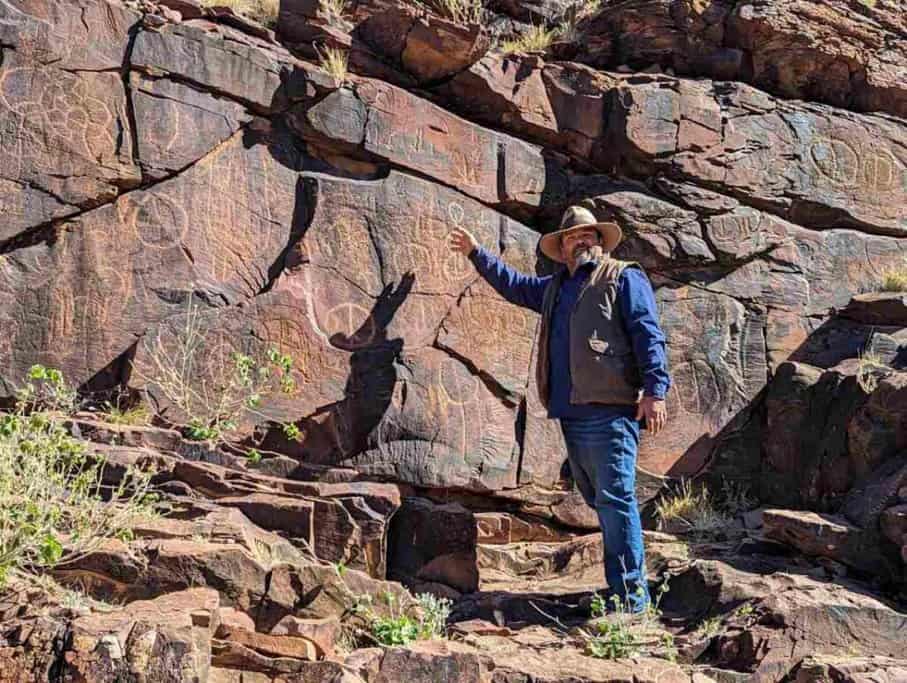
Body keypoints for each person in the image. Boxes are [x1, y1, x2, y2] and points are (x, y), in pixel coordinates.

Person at [447, 205, 671, 613]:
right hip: (572, 414)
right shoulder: (554, 288)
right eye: (573, 237)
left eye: (589, 235)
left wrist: (655, 390)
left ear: (599, 242)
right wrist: (476, 253)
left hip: (612, 412)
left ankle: (632, 600)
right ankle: (622, 588)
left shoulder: (622, 277)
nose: (582, 241)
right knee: (600, 499)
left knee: (616, 499)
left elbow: (647, 333)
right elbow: (513, 285)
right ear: (563, 248)